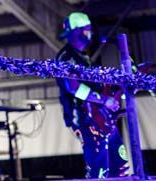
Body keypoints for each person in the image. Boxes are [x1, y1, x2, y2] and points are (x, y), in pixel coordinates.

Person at [56, 12, 130, 178]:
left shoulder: (84, 58)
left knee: (119, 164)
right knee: (100, 168)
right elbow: (73, 88)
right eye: (87, 29)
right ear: (76, 31)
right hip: (84, 118)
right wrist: (105, 100)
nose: (91, 32)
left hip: (100, 118)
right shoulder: (66, 57)